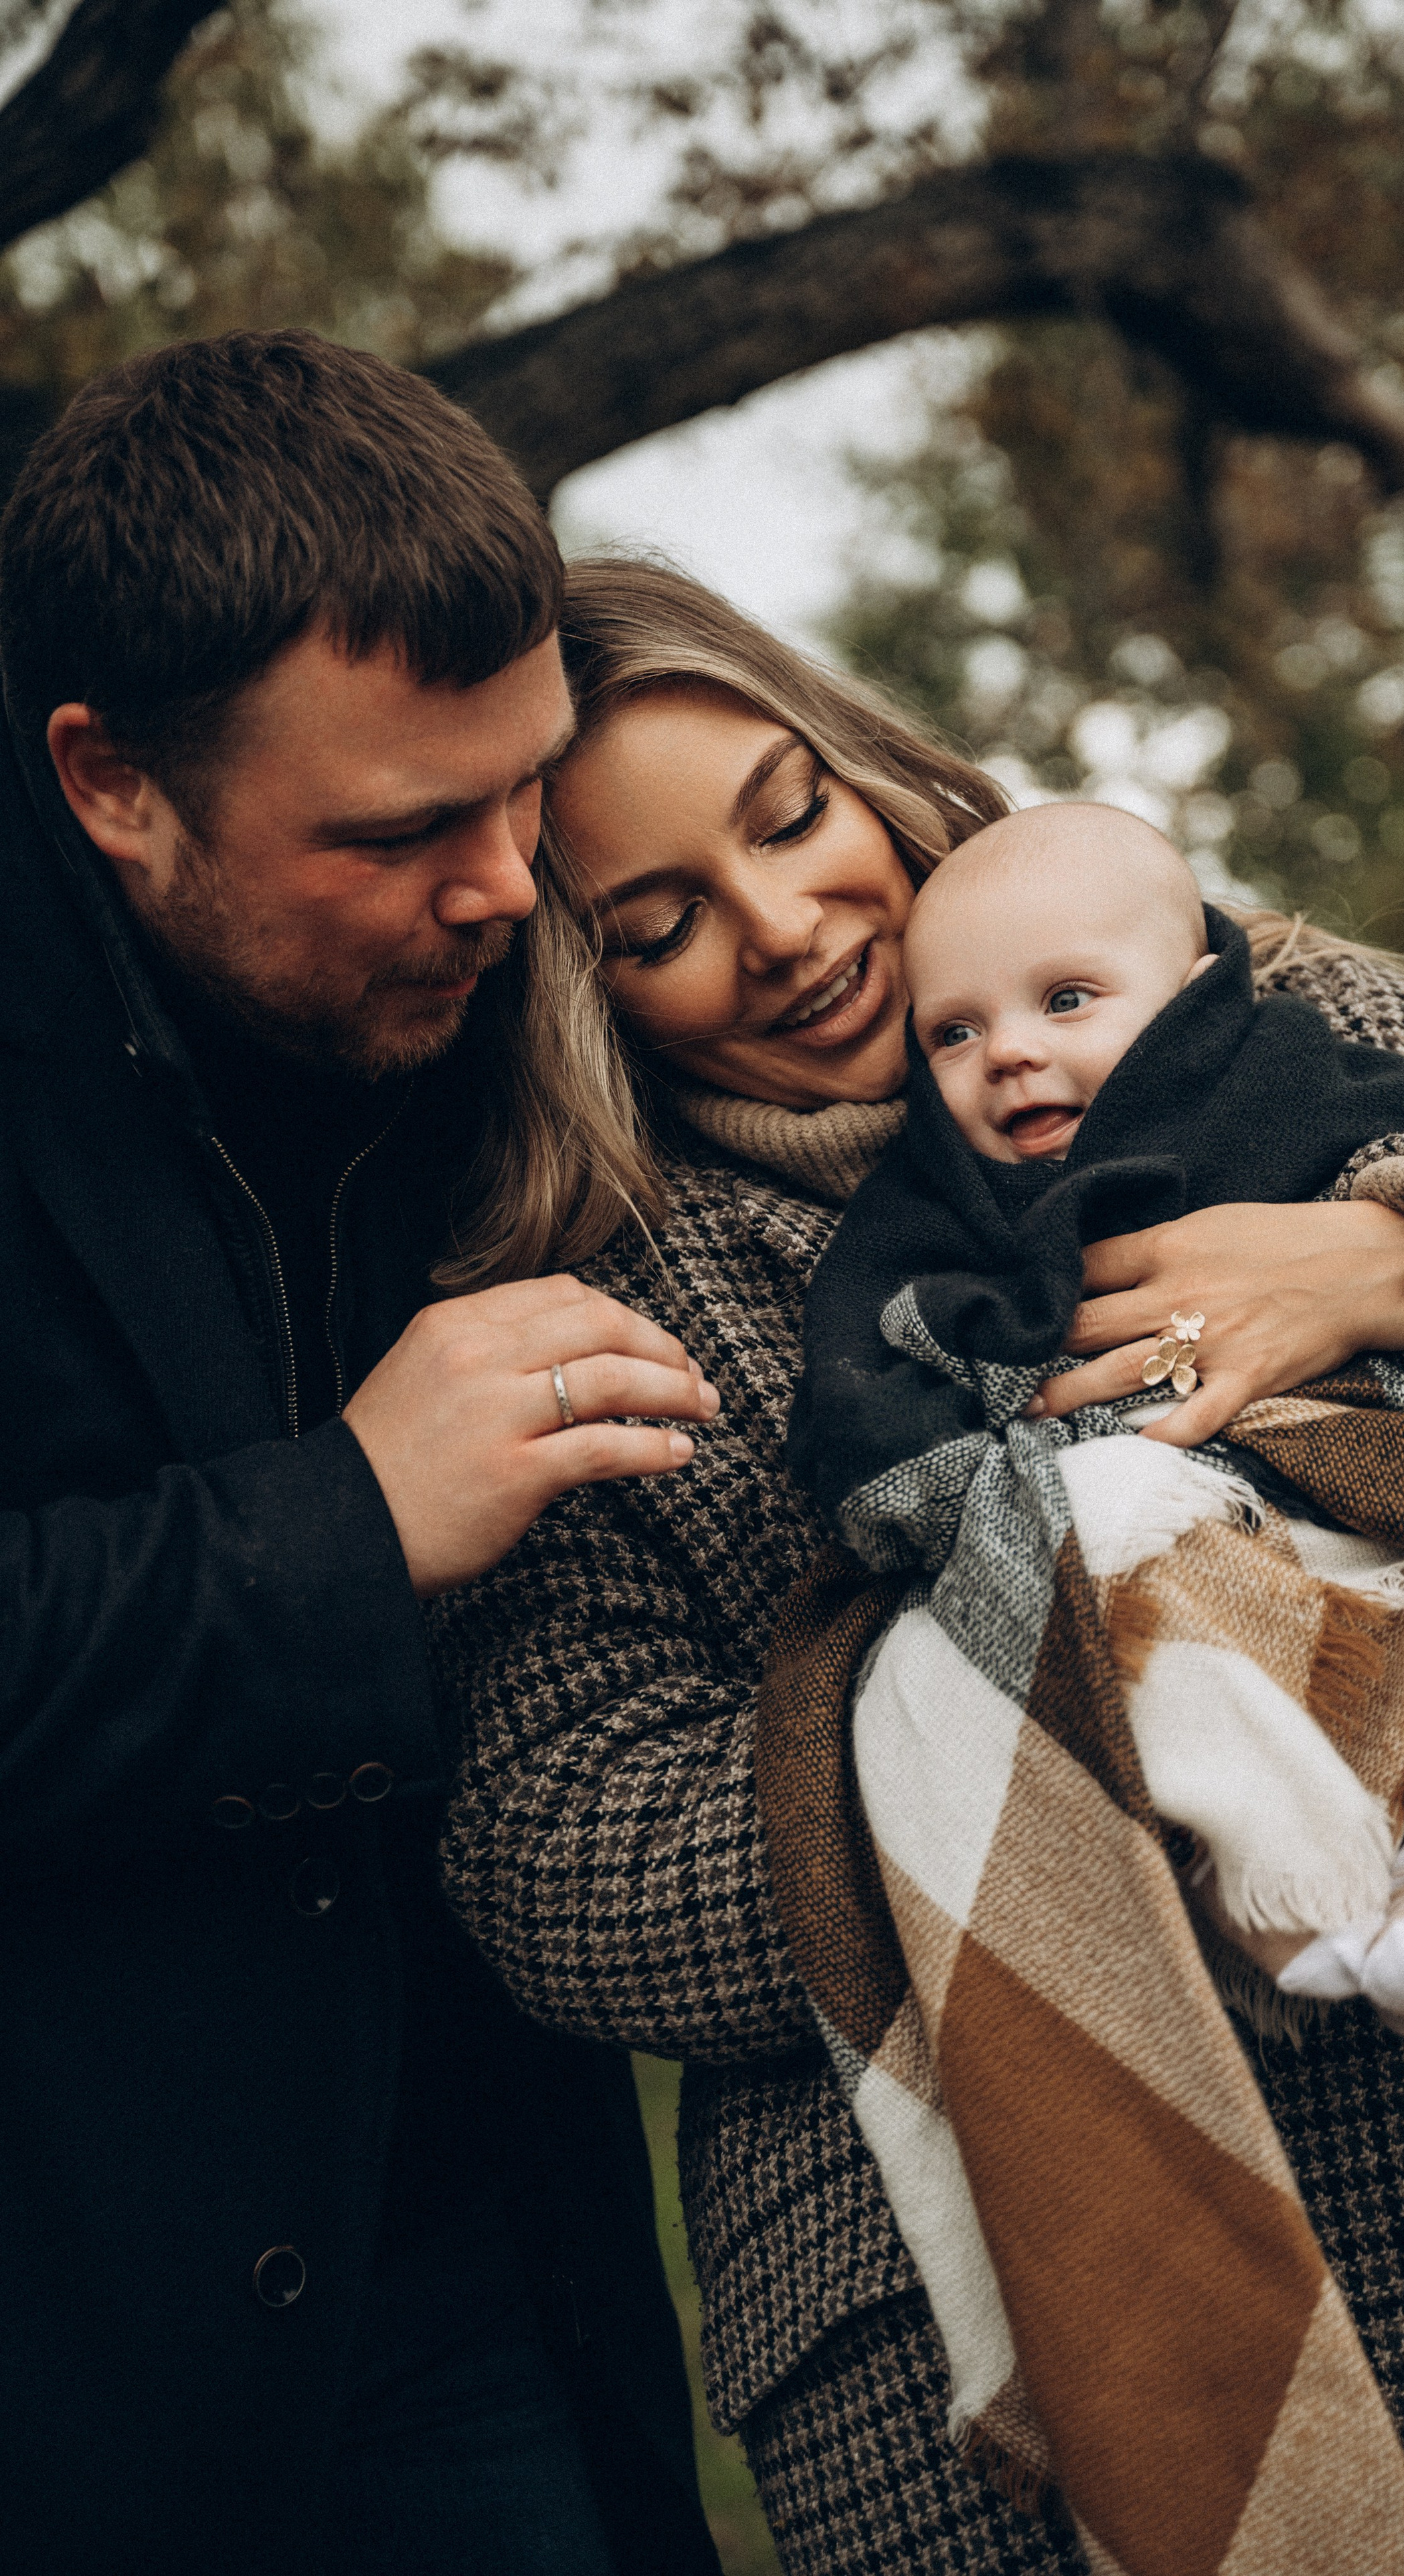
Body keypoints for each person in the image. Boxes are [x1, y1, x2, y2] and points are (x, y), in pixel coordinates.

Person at [436, 556, 1404, 2576]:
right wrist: (1038, 1695)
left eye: (790, 817)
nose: (786, 932)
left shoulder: (1245, 1009)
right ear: (574, 985)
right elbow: (556, 1856)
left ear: (859, 765)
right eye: (661, 923)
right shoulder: (589, 1300)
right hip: (1040, 2265)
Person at [0, 339, 722, 2576]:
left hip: (489, 2273)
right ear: (115, 785)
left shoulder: (510, 953)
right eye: (409, 826)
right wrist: (348, 1524)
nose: (518, 887)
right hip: (73, 2355)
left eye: (531, 787)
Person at [786, 799, 1404, 2039]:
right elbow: (862, 1375)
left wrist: (1395, 1244)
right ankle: (1296, 1895)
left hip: (1377, 1492)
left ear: (1188, 990)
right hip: (1180, 1543)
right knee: (1172, 1662)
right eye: (954, 1032)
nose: (1008, 1053)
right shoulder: (936, 1200)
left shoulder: (1284, 1072)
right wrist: (946, 1486)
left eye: (1065, 1001)